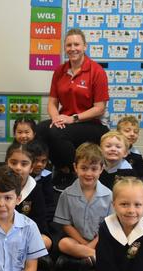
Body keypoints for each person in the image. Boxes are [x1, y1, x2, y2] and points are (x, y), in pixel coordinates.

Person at [36, 28, 110, 191]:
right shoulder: (60, 71)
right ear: (65, 48)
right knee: (41, 129)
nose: (72, 48)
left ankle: (69, 172)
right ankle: (42, 172)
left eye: (77, 44)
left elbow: (99, 108)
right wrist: (55, 117)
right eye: (69, 45)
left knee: (57, 133)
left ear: (85, 46)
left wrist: (73, 118)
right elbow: (52, 102)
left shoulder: (96, 71)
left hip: (92, 124)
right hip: (67, 121)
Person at [54, 143, 112, 271]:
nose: (88, 173)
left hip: (100, 241)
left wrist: (92, 244)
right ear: (75, 167)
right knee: (63, 244)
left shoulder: (108, 195)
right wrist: (84, 243)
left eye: (94, 169)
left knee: (114, 246)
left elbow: (110, 226)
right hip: (76, 240)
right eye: (84, 168)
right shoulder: (67, 194)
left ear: (101, 169)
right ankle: (97, 259)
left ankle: (76, 262)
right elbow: (66, 225)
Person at [5, 142, 53, 267]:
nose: (18, 167)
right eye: (13, 163)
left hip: (26, 235)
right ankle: (29, 257)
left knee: (46, 241)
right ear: (7, 163)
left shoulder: (35, 189)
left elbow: (41, 223)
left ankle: (16, 256)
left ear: (31, 168)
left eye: (24, 164)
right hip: (2, 233)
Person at [27, 140, 54, 224]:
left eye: (43, 161)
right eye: (36, 160)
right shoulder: (22, 177)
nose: (40, 164)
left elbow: (49, 203)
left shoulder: (46, 176)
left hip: (40, 218)